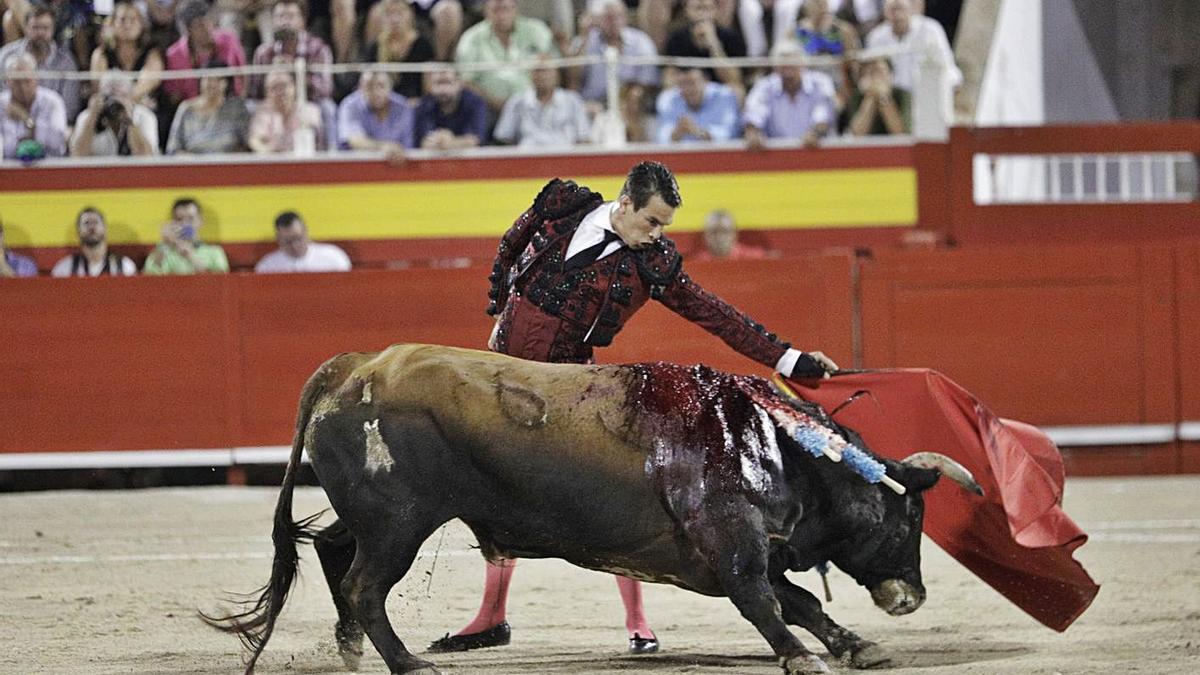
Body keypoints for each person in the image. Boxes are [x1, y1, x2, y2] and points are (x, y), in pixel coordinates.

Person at [429, 160, 839, 656]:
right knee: (492, 489)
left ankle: (638, 622)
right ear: (625, 204)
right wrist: (498, 301)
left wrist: (790, 359)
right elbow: (511, 243)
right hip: (499, 377)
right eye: (652, 221)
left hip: (567, 390)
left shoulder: (653, 263)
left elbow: (716, 315)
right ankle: (491, 617)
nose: (657, 234)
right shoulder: (561, 204)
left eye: (664, 225)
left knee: (613, 494)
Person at [865, 0, 960, 121]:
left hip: (926, 100)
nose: (896, 14)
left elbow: (949, 70)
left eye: (899, 8)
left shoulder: (931, 30)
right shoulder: (875, 37)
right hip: (892, 103)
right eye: (892, 8)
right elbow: (870, 76)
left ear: (911, 7)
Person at [454, 0, 557, 112]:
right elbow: (466, 82)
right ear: (485, 11)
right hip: (489, 109)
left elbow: (555, 69)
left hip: (536, 106)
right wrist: (498, 105)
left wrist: (539, 99)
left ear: (515, 8)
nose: (501, 15)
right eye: (496, 9)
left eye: (505, 8)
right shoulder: (471, 38)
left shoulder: (537, 30)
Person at [742, 40, 836, 149]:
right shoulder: (764, 86)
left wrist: (815, 132)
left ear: (803, 63)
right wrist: (753, 132)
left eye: (792, 61)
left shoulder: (820, 82)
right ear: (774, 66)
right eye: (783, 61)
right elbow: (754, 113)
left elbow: (823, 112)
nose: (788, 66)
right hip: (775, 156)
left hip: (815, 151)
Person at [569, 0, 658, 107]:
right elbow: (573, 78)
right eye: (608, 17)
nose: (614, 21)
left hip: (628, 104)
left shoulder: (641, 40)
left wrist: (629, 98)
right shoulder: (586, 40)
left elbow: (648, 80)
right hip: (592, 104)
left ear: (626, 17)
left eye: (618, 16)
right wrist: (584, 35)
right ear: (599, 20)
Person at [0, 5, 81, 121]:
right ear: (26, 28)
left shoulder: (66, 62)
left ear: (53, 30)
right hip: (10, 120)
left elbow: (69, 108)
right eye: (35, 28)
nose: (40, 33)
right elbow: (2, 98)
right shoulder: (5, 55)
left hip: (51, 123)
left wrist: (36, 122)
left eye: (45, 28)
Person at [492, 53, 589, 148]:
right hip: (527, 159)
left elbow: (584, 138)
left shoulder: (573, 101)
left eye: (546, 70)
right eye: (537, 71)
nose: (542, 76)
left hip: (565, 158)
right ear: (531, 75)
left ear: (556, 74)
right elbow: (503, 138)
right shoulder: (517, 102)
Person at [162, 0, 248, 105]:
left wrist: (240, 104)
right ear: (188, 31)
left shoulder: (229, 39)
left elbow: (244, 75)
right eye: (199, 25)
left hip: (231, 104)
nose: (207, 28)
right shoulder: (174, 55)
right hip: (195, 110)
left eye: (208, 21)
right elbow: (174, 96)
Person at [247, 0, 333, 101]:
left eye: (290, 17)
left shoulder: (319, 49)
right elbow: (255, 92)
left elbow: (325, 91)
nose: (284, 22)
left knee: (328, 108)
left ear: (303, 20)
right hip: (273, 105)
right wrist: (272, 75)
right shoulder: (263, 52)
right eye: (279, 16)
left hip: (309, 104)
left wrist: (296, 71)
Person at [166, 61, 251, 154]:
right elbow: (173, 148)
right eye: (208, 78)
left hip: (226, 164)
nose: (212, 84)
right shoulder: (186, 108)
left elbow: (247, 145)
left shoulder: (236, 108)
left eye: (218, 79)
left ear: (227, 83)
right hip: (192, 165)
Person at [89, 1, 164, 106]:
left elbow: (148, 83)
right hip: (109, 109)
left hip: (142, 109)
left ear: (141, 24)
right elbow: (98, 90)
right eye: (122, 20)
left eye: (133, 20)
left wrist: (127, 100)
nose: (127, 25)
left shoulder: (151, 53)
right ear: (113, 23)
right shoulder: (101, 54)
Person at [664, 0, 746, 93]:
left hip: (719, 92)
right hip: (687, 91)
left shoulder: (731, 37)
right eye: (697, 8)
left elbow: (734, 80)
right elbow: (669, 77)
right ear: (686, 10)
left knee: (737, 91)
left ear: (715, 11)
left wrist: (714, 45)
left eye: (707, 8)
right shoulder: (676, 38)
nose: (702, 14)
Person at [359, 0, 435, 99]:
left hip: (414, 103)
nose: (395, 19)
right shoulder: (375, 47)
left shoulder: (423, 46)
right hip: (383, 102)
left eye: (400, 13)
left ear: (410, 14)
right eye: (389, 14)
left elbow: (428, 87)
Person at [71, 72, 160, 156]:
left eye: (121, 96)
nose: (114, 103)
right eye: (109, 97)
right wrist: (93, 117)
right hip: (98, 171)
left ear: (130, 97)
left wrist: (129, 120)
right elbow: (78, 154)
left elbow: (146, 156)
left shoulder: (144, 116)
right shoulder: (87, 116)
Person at [1, 51, 67, 159]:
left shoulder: (52, 101)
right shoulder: (1, 104)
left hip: (47, 169)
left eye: (27, 81)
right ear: (7, 81)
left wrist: (28, 120)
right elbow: (6, 149)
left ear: (36, 78)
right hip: (8, 171)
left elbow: (57, 146)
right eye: (17, 82)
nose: (23, 88)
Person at [336, 69, 413, 161]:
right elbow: (355, 141)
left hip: (396, 167)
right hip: (357, 167)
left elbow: (407, 145)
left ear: (390, 87)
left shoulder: (402, 107)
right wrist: (384, 147)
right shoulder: (349, 105)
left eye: (381, 86)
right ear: (360, 88)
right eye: (369, 86)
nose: (376, 92)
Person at [143, 198, 230, 275]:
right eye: (179, 219)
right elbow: (150, 276)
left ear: (200, 221)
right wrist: (165, 243)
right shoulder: (165, 253)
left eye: (190, 218)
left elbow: (221, 283)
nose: (185, 224)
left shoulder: (215, 252)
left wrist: (190, 256)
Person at [654, 66, 740, 144]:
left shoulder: (724, 95)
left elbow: (730, 133)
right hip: (682, 157)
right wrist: (677, 132)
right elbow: (661, 137)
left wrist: (698, 132)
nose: (688, 90)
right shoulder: (668, 98)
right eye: (682, 84)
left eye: (692, 83)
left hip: (720, 157)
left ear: (706, 81)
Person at [413, 65, 489, 150]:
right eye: (439, 83)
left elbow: (476, 140)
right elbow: (423, 142)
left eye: (447, 82)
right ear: (431, 86)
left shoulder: (475, 103)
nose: (443, 89)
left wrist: (450, 142)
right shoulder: (425, 105)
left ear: (459, 83)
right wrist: (441, 142)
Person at [248, 69, 324, 153]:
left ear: (294, 87)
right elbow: (254, 141)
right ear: (267, 93)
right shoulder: (263, 113)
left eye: (284, 86)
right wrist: (267, 151)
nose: (280, 92)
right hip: (274, 161)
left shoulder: (309, 110)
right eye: (274, 87)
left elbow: (314, 140)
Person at [50, 207, 138, 277]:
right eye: (86, 223)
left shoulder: (125, 267)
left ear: (105, 229)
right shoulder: (64, 269)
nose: (91, 227)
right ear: (78, 231)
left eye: (96, 222)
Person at [254, 211, 351, 272]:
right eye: (288, 241)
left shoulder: (333, 257)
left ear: (306, 231)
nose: (295, 245)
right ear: (278, 239)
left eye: (298, 238)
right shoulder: (267, 267)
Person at [845, 57, 908, 135]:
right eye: (870, 73)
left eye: (879, 71)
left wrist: (883, 97)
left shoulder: (903, 94)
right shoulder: (857, 96)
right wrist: (870, 97)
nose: (875, 77)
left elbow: (900, 132)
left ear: (890, 74)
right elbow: (857, 133)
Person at [690, 208, 772, 261]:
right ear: (706, 236)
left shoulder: (754, 258)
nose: (720, 238)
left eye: (724, 231)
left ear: (734, 234)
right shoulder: (698, 262)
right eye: (714, 232)